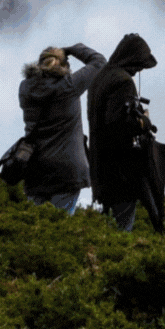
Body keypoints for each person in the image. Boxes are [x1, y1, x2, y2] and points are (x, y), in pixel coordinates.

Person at [19, 44, 106, 213]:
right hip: (66, 172)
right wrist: (74, 49)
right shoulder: (69, 85)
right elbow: (99, 62)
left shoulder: (25, 88)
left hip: (35, 170)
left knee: (34, 226)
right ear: (64, 65)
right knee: (61, 228)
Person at [87, 33, 160, 232]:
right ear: (131, 59)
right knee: (121, 232)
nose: (139, 70)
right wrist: (144, 121)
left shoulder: (100, 78)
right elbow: (119, 126)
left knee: (108, 229)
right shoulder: (123, 82)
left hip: (100, 169)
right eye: (139, 64)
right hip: (120, 175)